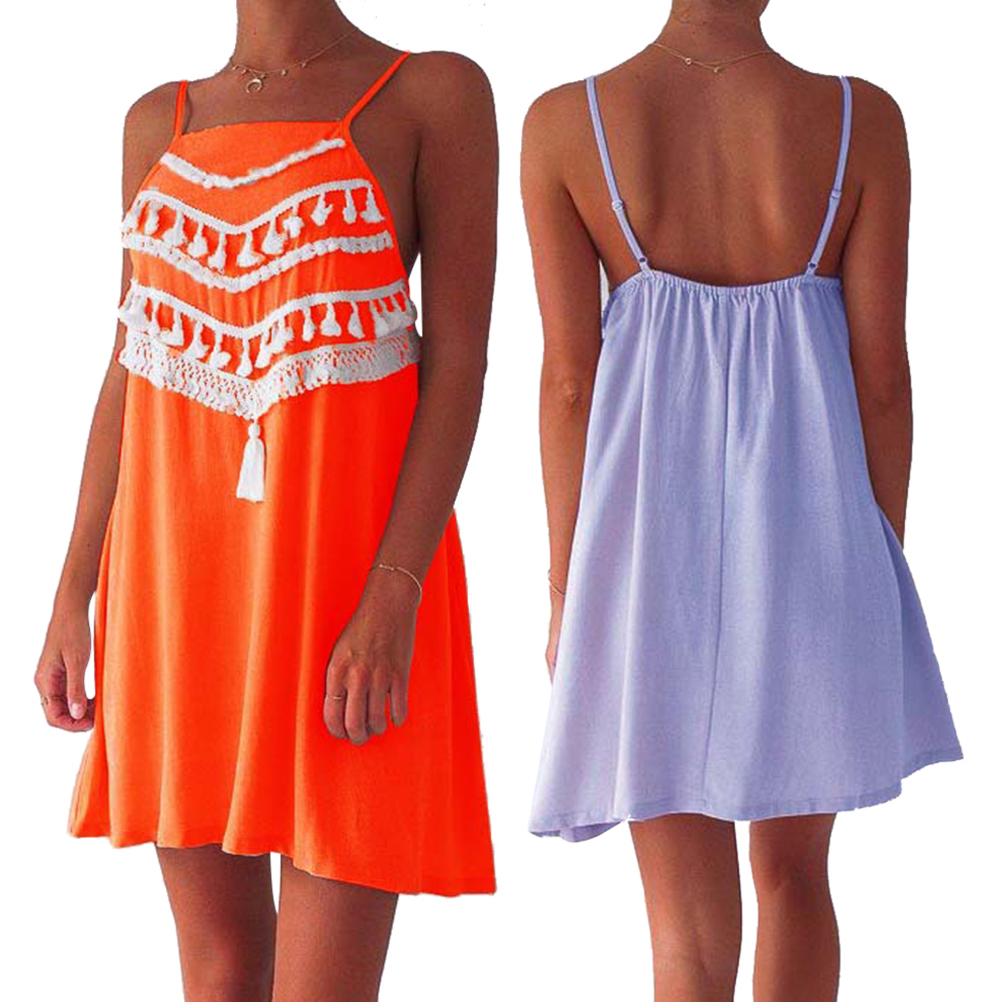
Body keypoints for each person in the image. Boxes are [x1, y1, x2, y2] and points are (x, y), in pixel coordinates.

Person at [34, 3, 497, 999]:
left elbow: (458, 365)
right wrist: (74, 590)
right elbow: (129, 362)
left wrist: (395, 591)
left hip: (348, 589)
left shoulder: (433, 93)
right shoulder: (157, 119)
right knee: (219, 972)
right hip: (174, 588)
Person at [522, 2, 962, 999]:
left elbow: (568, 384)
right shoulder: (860, 119)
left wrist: (566, 586)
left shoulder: (566, 123)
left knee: (682, 932)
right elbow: (884, 379)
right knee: (797, 879)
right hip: (817, 540)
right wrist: (878, 555)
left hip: (644, 552)